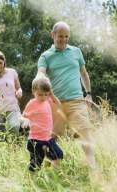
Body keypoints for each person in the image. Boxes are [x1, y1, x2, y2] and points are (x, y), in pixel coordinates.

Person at [37, 21, 96, 169]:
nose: (63, 39)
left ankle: (92, 168)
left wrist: (88, 93)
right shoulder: (45, 56)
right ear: (53, 35)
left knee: (85, 133)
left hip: (76, 101)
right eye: (60, 36)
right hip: (55, 104)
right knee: (50, 139)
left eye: (66, 36)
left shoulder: (76, 52)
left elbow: (84, 73)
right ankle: (50, 171)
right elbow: (41, 73)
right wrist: (39, 80)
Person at [21, 76, 63, 172]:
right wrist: (25, 120)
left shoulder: (47, 100)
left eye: (46, 94)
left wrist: (51, 94)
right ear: (33, 91)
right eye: (40, 94)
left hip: (47, 138)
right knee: (36, 163)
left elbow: (58, 104)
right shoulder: (32, 103)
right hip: (35, 139)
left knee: (58, 154)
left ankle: (54, 175)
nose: (43, 97)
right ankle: (31, 180)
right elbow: (22, 116)